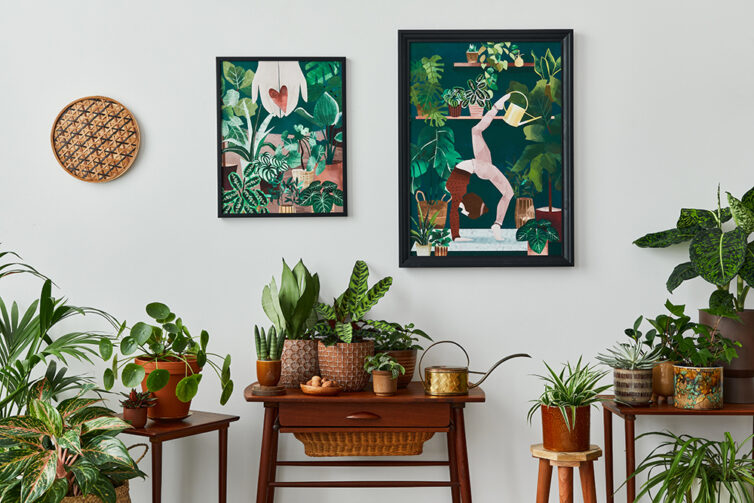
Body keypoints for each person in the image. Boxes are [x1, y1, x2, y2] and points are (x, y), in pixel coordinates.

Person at [445, 94, 515, 242]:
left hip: (478, 165)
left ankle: (497, 106)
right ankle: (497, 224)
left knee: (475, 131)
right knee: (508, 193)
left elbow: (455, 207)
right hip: (479, 167)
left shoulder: (455, 185)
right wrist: (456, 236)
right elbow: (454, 210)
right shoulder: (455, 186)